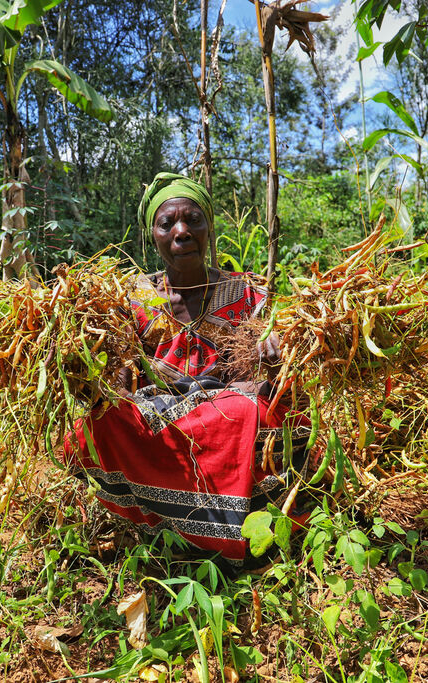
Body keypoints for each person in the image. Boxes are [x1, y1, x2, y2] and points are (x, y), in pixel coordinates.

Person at [65, 173, 310, 566]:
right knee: (100, 423)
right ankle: (156, 522)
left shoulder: (250, 293)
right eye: (168, 224)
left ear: (209, 227)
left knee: (255, 412)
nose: (182, 232)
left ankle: (244, 534)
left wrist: (274, 356)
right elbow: (121, 377)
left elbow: (278, 369)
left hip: (231, 415)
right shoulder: (132, 299)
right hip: (161, 421)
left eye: (193, 220)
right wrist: (103, 380)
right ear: (154, 235)